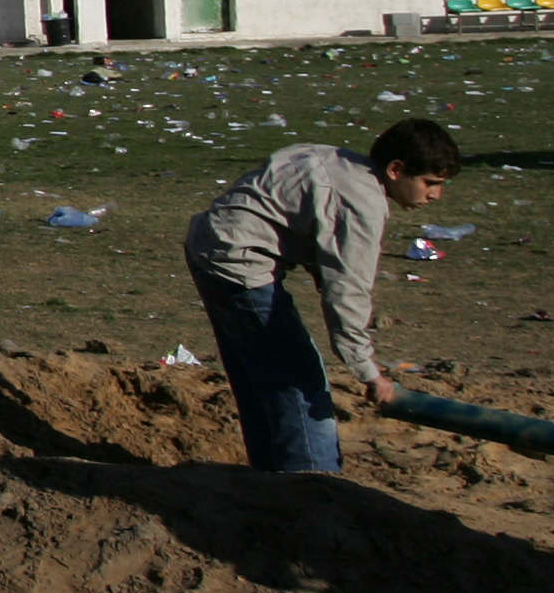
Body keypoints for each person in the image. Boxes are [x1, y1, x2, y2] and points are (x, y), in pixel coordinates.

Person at [184, 116, 459, 474]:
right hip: (238, 261)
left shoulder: (338, 160)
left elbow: (309, 231)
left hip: (209, 244)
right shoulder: (363, 202)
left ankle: (268, 478)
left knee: (258, 376)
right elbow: (347, 291)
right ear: (396, 170)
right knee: (300, 380)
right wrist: (369, 372)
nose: (435, 195)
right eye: (430, 183)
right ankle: (312, 482)